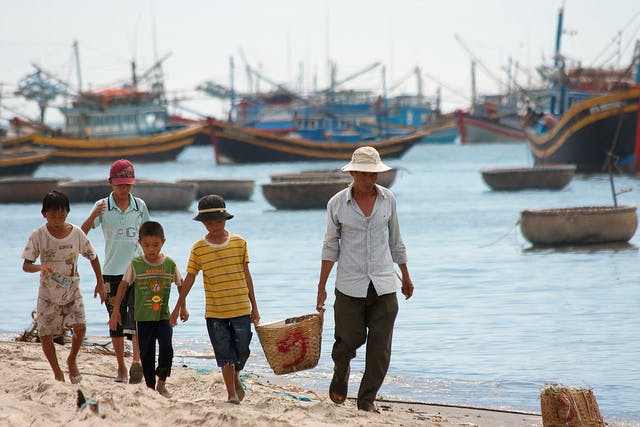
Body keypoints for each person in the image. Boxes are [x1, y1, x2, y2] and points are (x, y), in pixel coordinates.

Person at [316, 146, 414, 413]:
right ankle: (341, 371)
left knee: (380, 347)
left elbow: (396, 241)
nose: (369, 179)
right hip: (349, 284)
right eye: (364, 174)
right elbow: (330, 246)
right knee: (347, 340)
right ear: (354, 173)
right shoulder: (337, 203)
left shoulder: (388, 200)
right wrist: (321, 286)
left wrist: (405, 275)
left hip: (384, 284)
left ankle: (366, 399)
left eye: (374, 174)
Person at [170, 195, 260, 404]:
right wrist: (177, 307)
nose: (214, 226)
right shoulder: (198, 248)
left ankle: (236, 376)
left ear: (225, 220)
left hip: (240, 307)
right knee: (224, 353)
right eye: (209, 223)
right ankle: (231, 393)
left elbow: (247, 276)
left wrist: (254, 307)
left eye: (217, 221)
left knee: (243, 350)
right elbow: (190, 278)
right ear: (202, 223)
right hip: (215, 311)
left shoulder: (239, 243)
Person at [22, 190, 106, 383]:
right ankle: (57, 372)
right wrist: (39, 267)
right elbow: (26, 265)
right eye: (53, 216)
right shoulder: (38, 235)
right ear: (44, 214)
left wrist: (100, 283)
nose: (57, 220)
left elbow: (92, 256)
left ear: (68, 212)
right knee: (45, 334)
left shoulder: (76, 233)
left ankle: (71, 360)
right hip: (47, 294)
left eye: (61, 215)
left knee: (81, 327)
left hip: (71, 290)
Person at [81, 159, 149, 384]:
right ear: (111, 182)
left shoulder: (139, 205)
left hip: (137, 270)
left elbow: (150, 235)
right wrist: (93, 216)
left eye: (128, 183)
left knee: (137, 318)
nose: (124, 188)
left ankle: (136, 361)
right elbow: (82, 234)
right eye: (120, 183)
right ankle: (121, 367)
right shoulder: (102, 205)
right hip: (111, 273)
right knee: (115, 321)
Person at [108, 221, 184, 397]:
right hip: (142, 319)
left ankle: (162, 383)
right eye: (147, 245)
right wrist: (116, 311)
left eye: (155, 245)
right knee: (147, 354)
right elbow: (123, 286)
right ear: (140, 243)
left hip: (163, 317)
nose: (151, 249)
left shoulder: (170, 264)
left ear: (163, 242)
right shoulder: (136, 264)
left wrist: (183, 308)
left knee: (167, 348)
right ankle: (150, 388)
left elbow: (181, 285)